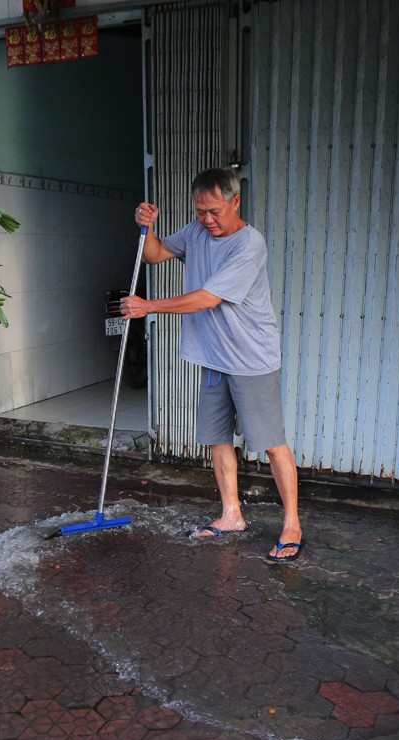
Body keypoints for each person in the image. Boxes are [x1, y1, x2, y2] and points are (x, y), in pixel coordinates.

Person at [119, 167, 303, 562]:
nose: (207, 220)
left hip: (251, 358)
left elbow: (207, 298)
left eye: (215, 211)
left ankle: (292, 523)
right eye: (201, 211)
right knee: (219, 438)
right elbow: (153, 255)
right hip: (214, 356)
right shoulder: (197, 231)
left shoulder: (249, 245)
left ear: (236, 201)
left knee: (271, 444)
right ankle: (231, 514)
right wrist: (146, 227)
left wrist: (148, 307)